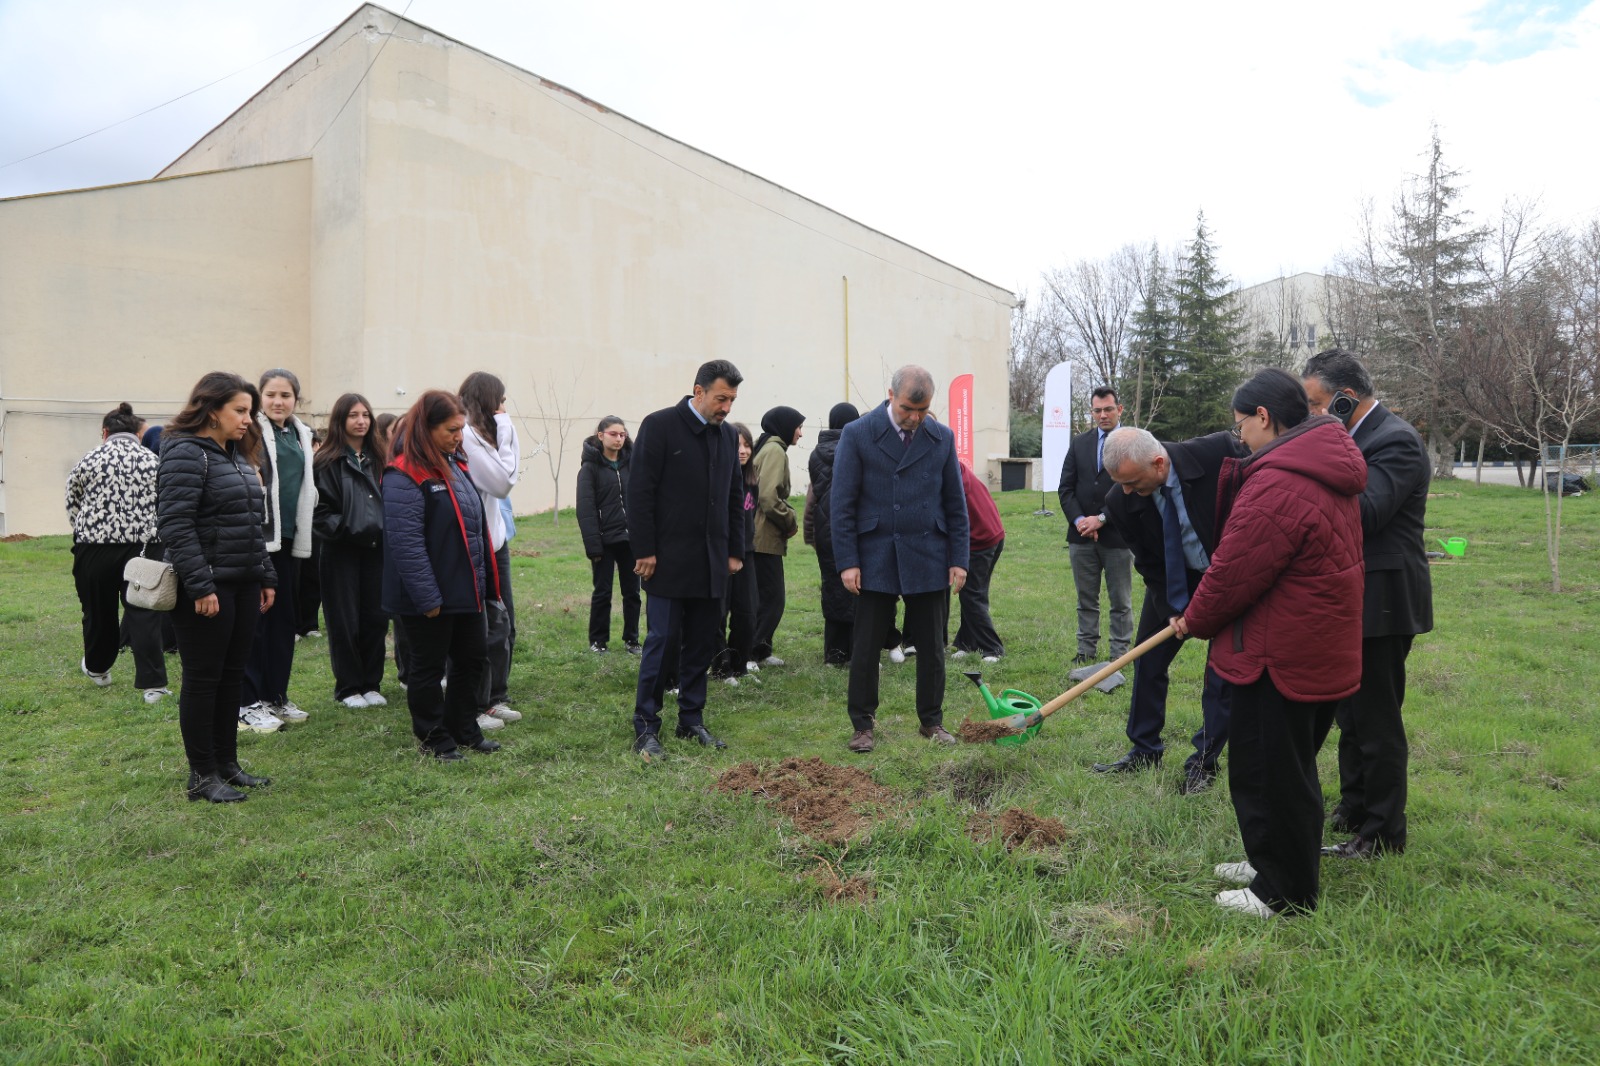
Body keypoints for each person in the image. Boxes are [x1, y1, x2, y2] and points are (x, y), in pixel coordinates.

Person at [1174, 368, 1366, 917]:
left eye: (1241, 426)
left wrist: (1194, 619)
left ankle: (1283, 892)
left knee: (1269, 772)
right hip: (1314, 644)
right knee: (1288, 768)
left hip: (1280, 653)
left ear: (1264, 416)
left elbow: (1234, 571)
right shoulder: (1322, 464)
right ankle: (1272, 859)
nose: (1240, 438)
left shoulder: (1280, 480)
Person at [1304, 349, 1434, 859]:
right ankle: (1354, 808)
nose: (1312, 414)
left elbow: (1365, 512)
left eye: (1317, 403)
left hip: (1384, 599)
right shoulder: (1354, 437)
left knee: (1377, 720)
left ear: (1345, 397)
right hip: (1352, 596)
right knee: (1350, 714)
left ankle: (1383, 833)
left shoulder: (1395, 439)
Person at [831, 365, 969, 753]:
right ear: (891, 395)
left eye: (922, 410)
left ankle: (932, 721)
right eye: (908, 408)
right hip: (874, 554)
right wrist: (848, 561)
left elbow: (955, 504)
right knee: (866, 646)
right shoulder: (857, 433)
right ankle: (862, 725)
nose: (915, 418)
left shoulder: (941, 437)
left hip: (929, 553)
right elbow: (841, 504)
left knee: (932, 646)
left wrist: (959, 558)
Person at [1099, 426, 1244, 793]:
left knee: (1221, 671)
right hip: (1175, 579)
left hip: (1231, 577)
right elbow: (1148, 562)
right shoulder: (1119, 501)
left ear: (1159, 463)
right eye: (1120, 483)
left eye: (1133, 482)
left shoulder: (1219, 454)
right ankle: (1144, 749)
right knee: (1147, 658)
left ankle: (1204, 763)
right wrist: (1172, 608)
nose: (1126, 491)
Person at [157, 372, 277, 802]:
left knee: (231, 677)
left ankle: (227, 764)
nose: (247, 419)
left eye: (250, 412)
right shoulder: (185, 453)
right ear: (211, 410)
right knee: (204, 678)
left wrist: (265, 575)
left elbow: (251, 524)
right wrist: (200, 585)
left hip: (243, 583)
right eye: (239, 410)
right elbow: (176, 525)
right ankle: (202, 775)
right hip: (207, 588)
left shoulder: (235, 455)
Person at [626, 359, 746, 758]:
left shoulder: (727, 435)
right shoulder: (659, 425)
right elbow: (640, 492)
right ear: (699, 391)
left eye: (731, 400)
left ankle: (691, 719)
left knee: (700, 643)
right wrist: (644, 549)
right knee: (662, 641)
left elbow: (734, 497)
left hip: (712, 561)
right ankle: (646, 726)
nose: (726, 407)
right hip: (667, 560)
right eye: (721, 398)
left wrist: (734, 550)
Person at [382, 390, 500, 761]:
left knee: (472, 659)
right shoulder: (404, 473)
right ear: (427, 428)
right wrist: (427, 597)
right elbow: (406, 544)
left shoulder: (455, 465)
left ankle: (463, 728)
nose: (458, 436)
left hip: (464, 589)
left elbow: (474, 529)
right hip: (429, 596)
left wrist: (483, 585)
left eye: (461, 429)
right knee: (428, 668)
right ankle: (433, 737)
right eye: (451, 430)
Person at [65, 402, 170, 702]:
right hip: (144, 546)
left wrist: (86, 530)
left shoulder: (88, 459)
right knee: (144, 613)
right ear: (138, 434)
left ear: (105, 432)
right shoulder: (154, 461)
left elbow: (72, 501)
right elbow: (165, 502)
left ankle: (98, 668)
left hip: (94, 547)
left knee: (98, 611)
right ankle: (154, 686)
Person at [239, 369, 316, 731]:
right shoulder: (249, 431)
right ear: (260, 397)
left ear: (295, 400)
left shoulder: (300, 434)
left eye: (285, 395)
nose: (278, 402)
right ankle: (247, 701)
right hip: (258, 539)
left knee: (284, 622)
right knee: (256, 621)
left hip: (289, 540)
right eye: (270, 394)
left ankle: (275, 695)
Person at [312, 393, 389, 709]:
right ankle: (348, 687)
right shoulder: (326, 460)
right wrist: (347, 528)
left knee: (376, 618)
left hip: (377, 550)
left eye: (366, 415)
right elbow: (319, 511)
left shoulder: (380, 458)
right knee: (344, 621)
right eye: (353, 415)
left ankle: (371, 683)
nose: (361, 421)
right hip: (340, 551)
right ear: (340, 420)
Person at [458, 372, 522, 728]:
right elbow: (503, 482)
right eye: (500, 400)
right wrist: (507, 427)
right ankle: (475, 702)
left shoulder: (482, 435)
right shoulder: (468, 436)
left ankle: (495, 696)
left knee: (502, 623)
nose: (503, 407)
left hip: (494, 542)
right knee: (480, 628)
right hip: (473, 545)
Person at [1058, 386, 1134, 664]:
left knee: (1121, 601)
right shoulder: (1080, 443)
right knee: (1086, 599)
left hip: (1117, 536)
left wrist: (1101, 519)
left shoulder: (1132, 443)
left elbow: (1134, 489)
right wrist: (1080, 521)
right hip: (1081, 537)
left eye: (1108, 409)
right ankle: (1085, 651)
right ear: (1092, 412)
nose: (1103, 415)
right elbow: (1066, 488)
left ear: (1119, 410)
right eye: (1097, 410)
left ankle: (1119, 654)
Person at [576, 416, 641, 655]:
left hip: (630, 540)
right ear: (601, 435)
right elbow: (586, 509)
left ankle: (632, 640)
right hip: (604, 541)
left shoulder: (632, 464)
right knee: (602, 592)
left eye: (622, 434)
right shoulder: (589, 468)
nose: (619, 439)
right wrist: (593, 546)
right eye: (613, 434)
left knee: (632, 593)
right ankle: (598, 641)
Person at [750, 405, 805, 667]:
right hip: (763, 537)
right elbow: (768, 497)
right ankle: (750, 652)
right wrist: (790, 520)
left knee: (763, 597)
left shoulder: (769, 447)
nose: (801, 433)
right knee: (772, 599)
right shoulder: (775, 450)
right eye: (798, 427)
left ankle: (761, 650)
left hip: (760, 536)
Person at [808, 403, 859, 664]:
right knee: (856, 587)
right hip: (850, 525)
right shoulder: (855, 449)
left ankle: (833, 652)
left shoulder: (816, 453)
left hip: (824, 527)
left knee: (831, 585)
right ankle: (854, 651)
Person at [712, 422, 760, 683]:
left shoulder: (752, 481)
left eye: (747, 445)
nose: (743, 451)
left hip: (746, 553)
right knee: (718, 614)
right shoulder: (719, 480)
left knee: (748, 613)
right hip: (721, 554)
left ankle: (740, 666)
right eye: (737, 445)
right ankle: (721, 668)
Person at [951, 460, 1005, 661]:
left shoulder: (948, 471)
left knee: (972, 595)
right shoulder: (954, 466)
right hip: (991, 533)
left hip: (980, 539)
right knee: (973, 592)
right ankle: (966, 643)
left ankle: (992, 648)